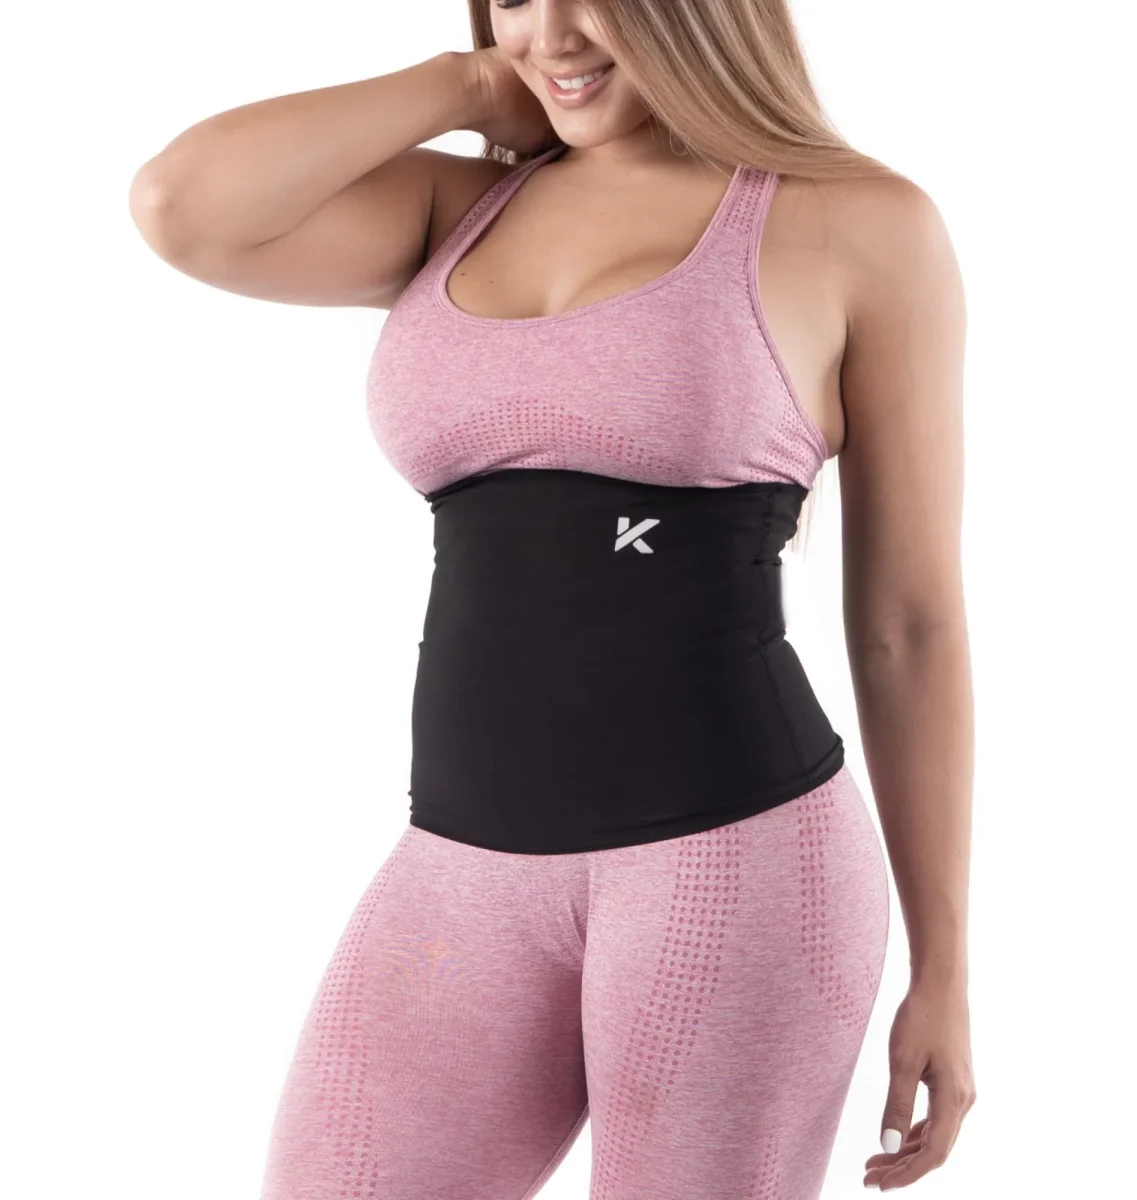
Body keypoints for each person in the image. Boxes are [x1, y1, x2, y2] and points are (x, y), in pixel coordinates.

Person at [129, 1, 975, 1195]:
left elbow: (907, 625)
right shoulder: (459, 210)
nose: (556, 33)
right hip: (460, 868)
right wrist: (473, 84)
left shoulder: (858, 224)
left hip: (736, 870)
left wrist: (945, 968)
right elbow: (182, 205)